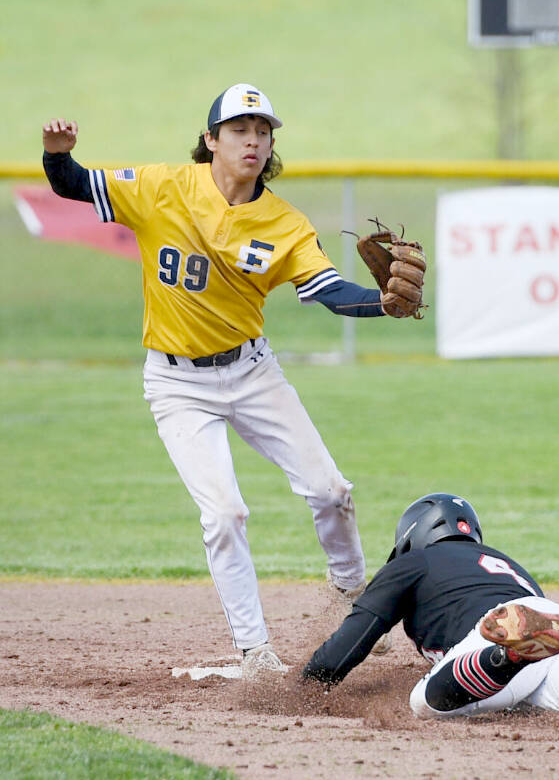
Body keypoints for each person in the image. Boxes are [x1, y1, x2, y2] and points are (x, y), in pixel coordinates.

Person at [40, 83, 401, 677]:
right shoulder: (163, 187)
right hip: (177, 384)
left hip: (252, 371)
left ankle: (351, 597)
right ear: (210, 140)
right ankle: (255, 653)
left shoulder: (283, 222)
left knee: (331, 491)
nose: (253, 141)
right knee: (225, 514)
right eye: (238, 130)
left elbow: (328, 291)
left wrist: (380, 302)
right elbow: (75, 185)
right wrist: (58, 154)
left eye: (262, 132)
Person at [302, 493, 559, 716]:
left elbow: (347, 646)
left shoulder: (413, 562)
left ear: (411, 537)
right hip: (557, 617)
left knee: (425, 702)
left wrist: (304, 688)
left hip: (487, 635)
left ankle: (509, 654)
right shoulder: (508, 565)